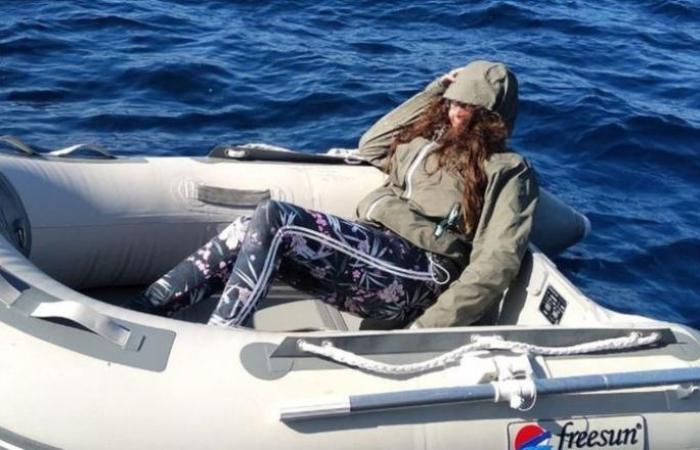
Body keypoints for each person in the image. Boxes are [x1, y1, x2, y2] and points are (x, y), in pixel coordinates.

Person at [130, 59, 539, 328]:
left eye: (465, 107)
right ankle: (149, 308)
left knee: (277, 220)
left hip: (423, 274)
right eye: (451, 103)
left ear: (489, 116)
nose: (453, 112)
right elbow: (372, 147)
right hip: (379, 250)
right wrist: (435, 89)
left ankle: (221, 337)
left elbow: (496, 263)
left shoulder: (506, 168)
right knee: (246, 227)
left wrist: (427, 328)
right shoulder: (428, 141)